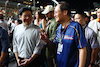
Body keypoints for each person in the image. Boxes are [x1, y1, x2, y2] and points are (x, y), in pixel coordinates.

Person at [40, 2, 87, 67]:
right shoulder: (58, 29)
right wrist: (47, 40)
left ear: (65, 12)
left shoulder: (75, 27)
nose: (54, 15)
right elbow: (56, 45)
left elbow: (82, 49)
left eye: (56, 12)